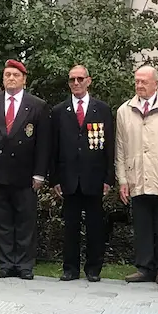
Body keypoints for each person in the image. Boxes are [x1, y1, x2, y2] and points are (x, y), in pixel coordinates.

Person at [0, 59, 51, 280]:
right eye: (7, 75)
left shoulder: (37, 105)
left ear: (24, 80)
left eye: (15, 75)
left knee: (25, 222)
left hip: (25, 175)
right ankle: (6, 263)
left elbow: (43, 144)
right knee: (2, 222)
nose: (11, 78)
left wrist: (39, 173)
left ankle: (25, 265)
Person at [115, 65, 158, 285]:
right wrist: (122, 180)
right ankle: (144, 267)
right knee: (142, 225)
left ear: (156, 83)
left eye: (144, 81)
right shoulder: (124, 110)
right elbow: (120, 148)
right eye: (136, 81)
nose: (139, 85)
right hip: (137, 175)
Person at [50, 65, 114, 282]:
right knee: (70, 227)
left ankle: (94, 269)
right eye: (71, 80)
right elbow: (54, 148)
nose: (75, 83)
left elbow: (109, 146)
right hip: (68, 179)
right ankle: (70, 268)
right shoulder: (59, 111)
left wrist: (108, 178)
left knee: (95, 227)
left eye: (79, 79)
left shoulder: (102, 109)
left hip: (94, 178)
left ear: (89, 81)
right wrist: (55, 178)